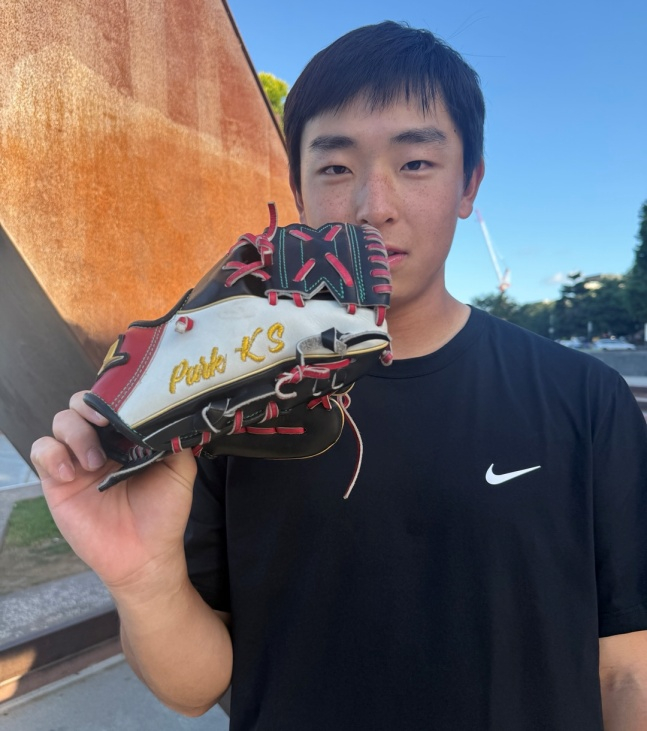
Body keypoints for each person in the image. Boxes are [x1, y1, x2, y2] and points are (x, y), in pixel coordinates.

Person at [31, 21, 647, 730]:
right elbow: (193, 689)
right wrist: (143, 581)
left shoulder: (584, 399)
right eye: (334, 168)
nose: (372, 206)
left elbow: (627, 669)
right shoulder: (224, 407)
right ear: (298, 190)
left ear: (468, 184)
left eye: (416, 162)